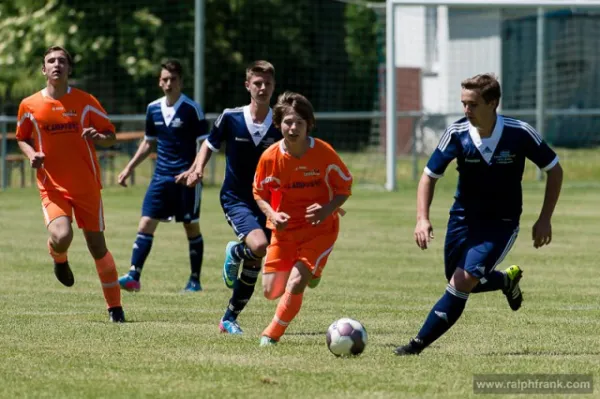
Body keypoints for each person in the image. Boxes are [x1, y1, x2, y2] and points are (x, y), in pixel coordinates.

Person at [394, 73, 563, 356]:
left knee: (462, 281)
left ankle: (416, 345)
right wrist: (422, 218)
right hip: (462, 220)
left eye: (472, 104)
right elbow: (429, 176)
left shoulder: (519, 132)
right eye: (463, 103)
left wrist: (544, 218)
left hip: (501, 224)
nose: (466, 110)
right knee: (459, 280)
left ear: (493, 102)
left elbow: (554, 169)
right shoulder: (457, 134)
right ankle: (505, 280)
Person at [16, 46, 125, 322]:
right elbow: (21, 137)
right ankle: (59, 257)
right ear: (44, 70)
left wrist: (98, 137)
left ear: (69, 69)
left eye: (62, 61)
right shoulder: (29, 105)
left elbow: (111, 134)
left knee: (98, 248)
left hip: (87, 185)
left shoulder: (86, 101)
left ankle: (115, 309)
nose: (56, 65)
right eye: (51, 61)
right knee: (63, 236)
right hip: (52, 186)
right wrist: (33, 155)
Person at [178, 60, 281, 334]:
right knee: (259, 247)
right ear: (247, 85)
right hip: (236, 198)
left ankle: (229, 318)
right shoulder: (231, 117)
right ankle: (234, 250)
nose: (262, 88)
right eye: (257, 83)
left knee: (256, 259)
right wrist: (198, 169)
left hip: (269, 202)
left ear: (273, 86)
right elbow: (209, 144)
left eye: (267, 84)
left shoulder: (281, 123)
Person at [252, 91, 353, 346]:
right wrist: (273, 214)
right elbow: (259, 193)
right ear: (278, 124)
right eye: (288, 122)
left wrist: (326, 209)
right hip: (284, 231)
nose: (293, 127)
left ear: (309, 124)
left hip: (320, 229)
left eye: (299, 122)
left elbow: (344, 188)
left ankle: (271, 334)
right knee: (270, 292)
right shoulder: (270, 158)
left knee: (296, 282)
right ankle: (313, 272)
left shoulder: (323, 153)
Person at [117, 60, 208, 293]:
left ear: (181, 82)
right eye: (165, 79)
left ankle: (194, 280)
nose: (168, 83)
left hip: (187, 178)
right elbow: (148, 143)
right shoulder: (153, 108)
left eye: (173, 79)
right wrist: (128, 168)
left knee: (190, 226)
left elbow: (205, 143)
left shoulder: (192, 109)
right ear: (160, 82)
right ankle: (134, 275)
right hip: (161, 177)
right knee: (146, 222)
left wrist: (195, 171)